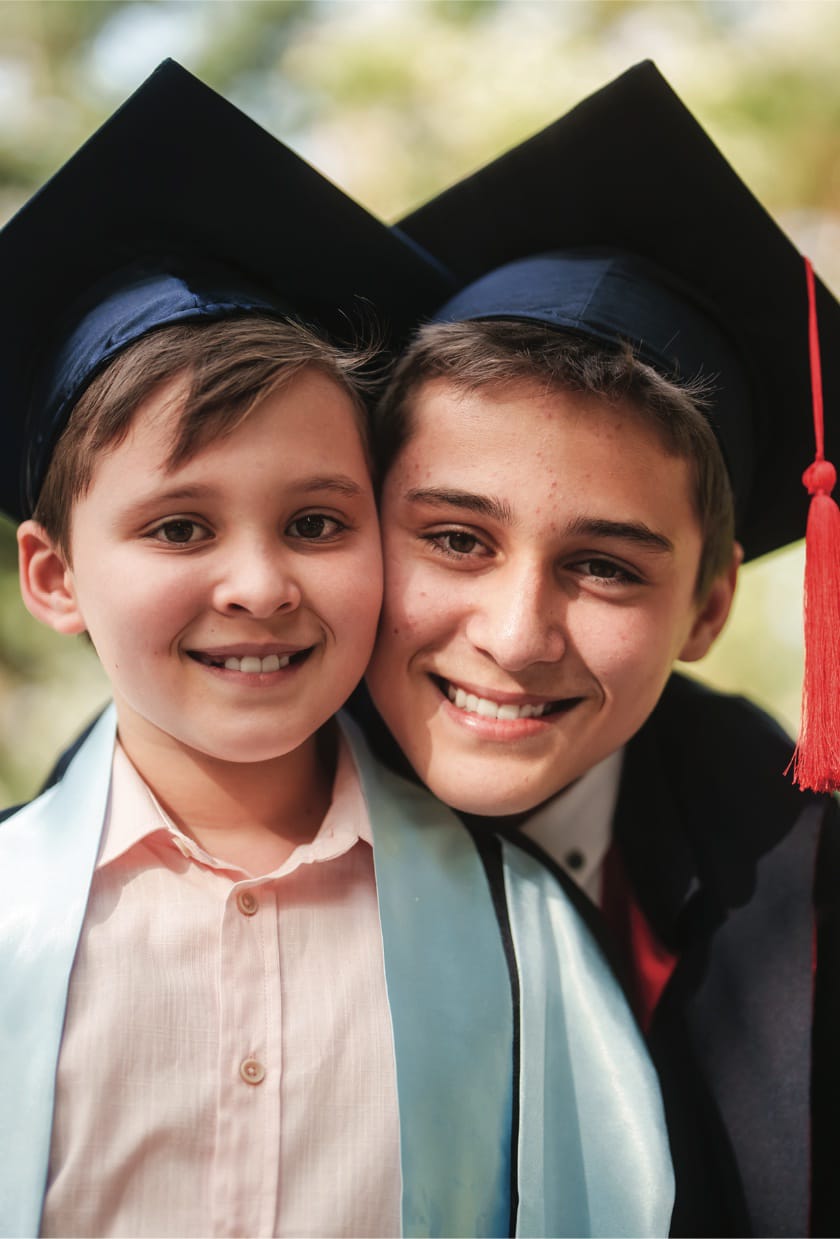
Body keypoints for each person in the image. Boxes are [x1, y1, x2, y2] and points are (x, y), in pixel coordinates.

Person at [0, 62, 674, 1239]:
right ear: (55, 578)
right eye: (179, 527)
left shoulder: (520, 936)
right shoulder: (14, 921)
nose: (260, 587)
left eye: (316, 524)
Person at [365, 61, 840, 1237]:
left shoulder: (794, 879)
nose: (518, 637)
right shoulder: (158, 838)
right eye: (457, 539)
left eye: (607, 566)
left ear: (709, 608)